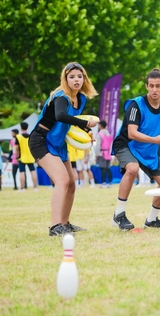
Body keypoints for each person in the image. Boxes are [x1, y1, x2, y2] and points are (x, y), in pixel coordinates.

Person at [111, 68, 160, 231]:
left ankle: (152, 220)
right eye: (151, 86)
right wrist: (154, 140)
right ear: (146, 86)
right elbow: (132, 133)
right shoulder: (135, 105)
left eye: (158, 86)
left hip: (148, 148)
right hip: (126, 144)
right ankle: (119, 214)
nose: (154, 89)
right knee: (132, 169)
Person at [28, 62, 99, 236]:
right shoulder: (61, 96)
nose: (76, 80)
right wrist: (85, 123)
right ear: (65, 79)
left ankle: (65, 224)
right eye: (72, 76)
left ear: (84, 79)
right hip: (41, 140)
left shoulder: (80, 98)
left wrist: (86, 130)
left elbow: (68, 121)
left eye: (79, 76)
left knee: (72, 184)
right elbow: (60, 115)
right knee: (62, 180)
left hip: (58, 143)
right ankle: (55, 227)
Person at [16, 122, 39, 191]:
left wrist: (16, 156)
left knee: (22, 172)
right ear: (27, 127)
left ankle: (22, 188)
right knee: (33, 172)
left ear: (21, 127)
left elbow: (17, 149)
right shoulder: (31, 135)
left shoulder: (18, 137)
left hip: (22, 157)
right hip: (31, 157)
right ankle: (35, 187)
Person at [95, 120, 113, 187]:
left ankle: (103, 182)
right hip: (108, 152)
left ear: (100, 125)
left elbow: (98, 145)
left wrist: (97, 155)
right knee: (108, 168)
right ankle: (110, 182)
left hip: (102, 153)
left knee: (102, 168)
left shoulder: (100, 134)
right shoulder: (109, 134)